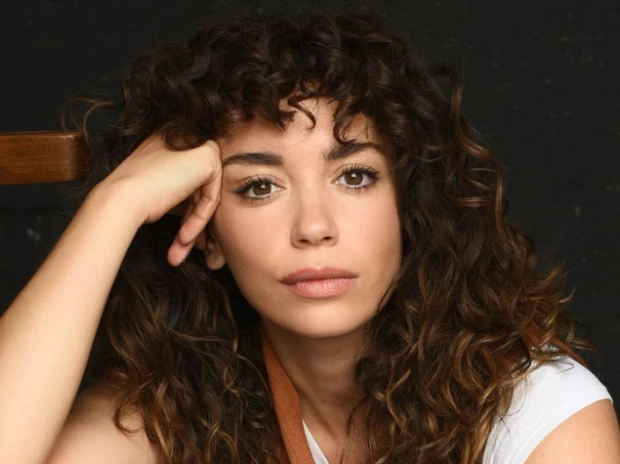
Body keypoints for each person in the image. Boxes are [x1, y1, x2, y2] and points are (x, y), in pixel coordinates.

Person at [0, 12, 618, 464]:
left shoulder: (538, 412)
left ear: (409, 206)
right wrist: (116, 204)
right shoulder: (179, 405)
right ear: (207, 232)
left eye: (355, 176)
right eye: (259, 187)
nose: (314, 227)